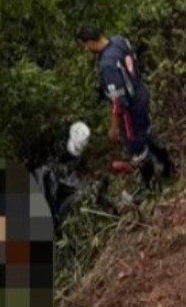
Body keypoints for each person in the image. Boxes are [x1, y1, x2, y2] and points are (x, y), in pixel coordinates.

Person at [75, 27, 176, 188]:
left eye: (85, 46)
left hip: (131, 108)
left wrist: (114, 127)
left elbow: (119, 101)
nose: (86, 50)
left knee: (135, 144)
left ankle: (151, 185)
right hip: (141, 94)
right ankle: (168, 167)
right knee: (147, 131)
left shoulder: (107, 65)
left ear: (91, 43)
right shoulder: (119, 41)